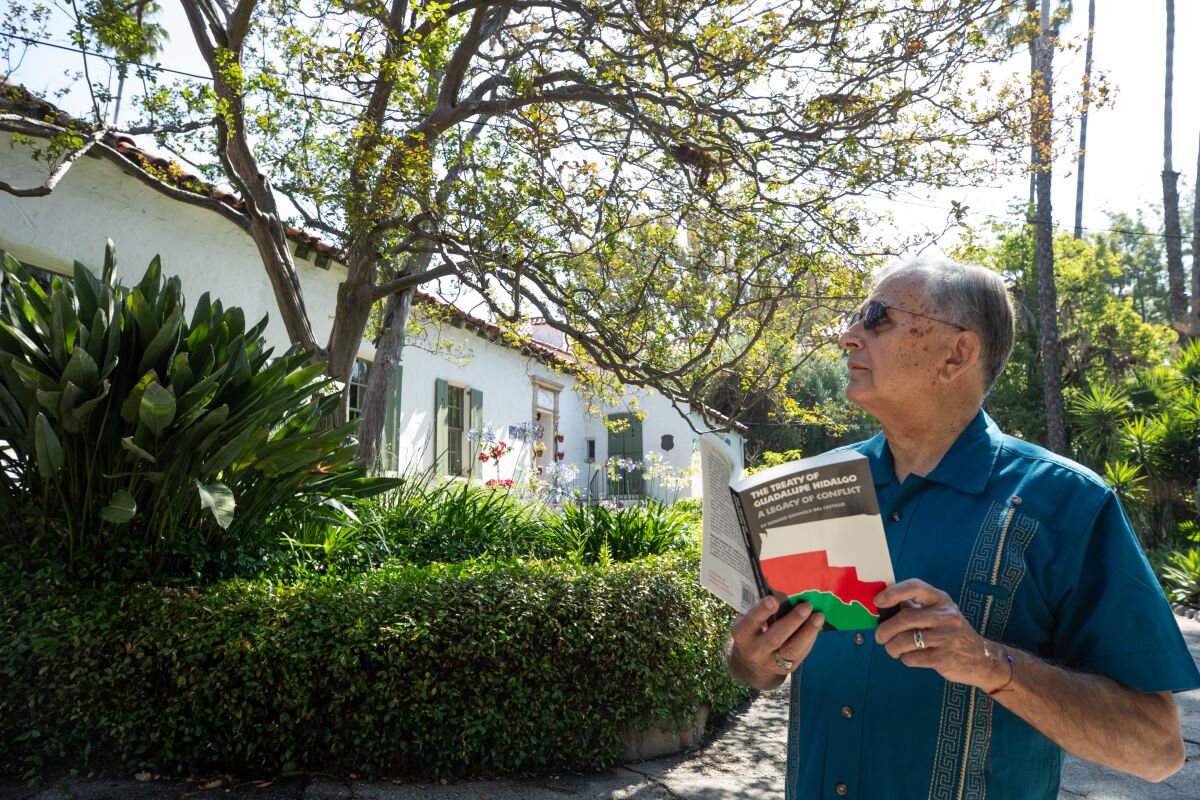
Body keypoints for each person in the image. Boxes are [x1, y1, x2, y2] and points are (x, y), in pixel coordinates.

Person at [726, 259, 1200, 799]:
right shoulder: (813, 490)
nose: (848, 336)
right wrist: (756, 661)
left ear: (957, 354)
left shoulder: (1068, 504)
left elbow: (1158, 749)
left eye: (876, 317)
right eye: (854, 317)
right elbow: (758, 669)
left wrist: (991, 663)